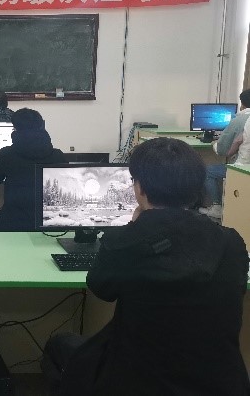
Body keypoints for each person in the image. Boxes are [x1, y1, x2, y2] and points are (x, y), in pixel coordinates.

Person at [41, 137, 249, 396]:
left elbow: (100, 287)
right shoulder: (231, 242)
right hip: (220, 382)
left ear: (139, 187)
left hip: (137, 380)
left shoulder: (125, 241)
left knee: (59, 345)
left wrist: (133, 226)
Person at [0, 108, 66, 231]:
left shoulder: (7, 154)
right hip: (48, 221)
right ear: (42, 128)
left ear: (15, 129)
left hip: (14, 221)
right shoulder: (58, 156)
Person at [200, 89, 250, 219]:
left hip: (242, 168)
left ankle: (216, 207)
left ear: (242, 104)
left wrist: (215, 143)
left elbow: (222, 150)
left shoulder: (240, 120)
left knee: (208, 170)